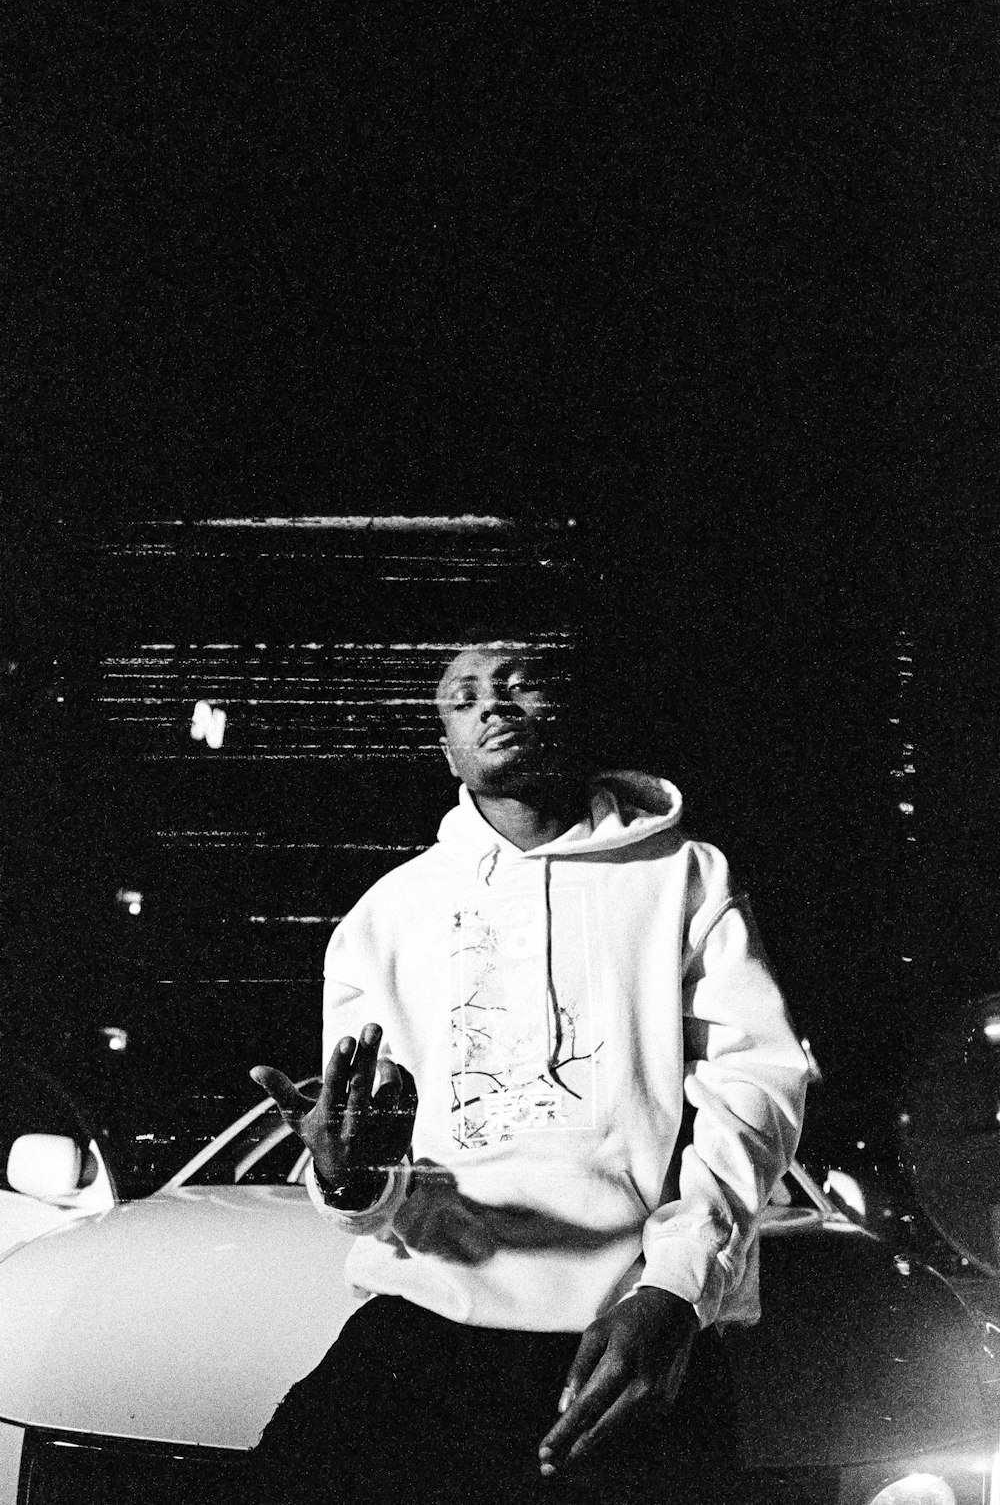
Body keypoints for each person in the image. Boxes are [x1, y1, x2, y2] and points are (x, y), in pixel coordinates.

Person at [250, 641, 809, 1504]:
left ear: (571, 715)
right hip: (428, 1323)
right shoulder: (387, 914)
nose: (493, 705)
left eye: (519, 686)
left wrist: (677, 1285)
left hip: (630, 1326)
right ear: (446, 747)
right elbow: (372, 1165)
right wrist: (344, 1174)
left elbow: (755, 1084)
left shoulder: (686, 875)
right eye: (464, 696)